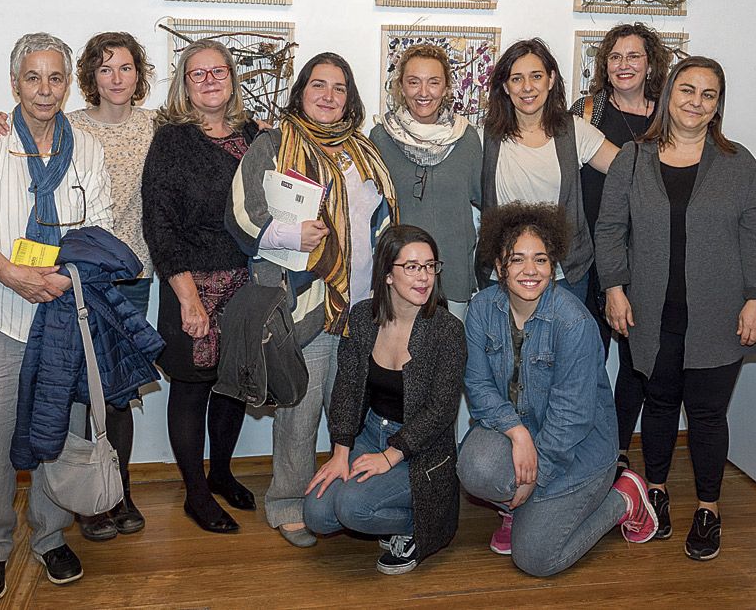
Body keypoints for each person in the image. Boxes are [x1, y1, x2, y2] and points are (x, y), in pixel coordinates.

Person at [0, 31, 156, 542]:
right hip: (32, 289)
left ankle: (100, 502)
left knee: (99, 401)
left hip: (107, 280)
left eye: (125, 67)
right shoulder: (40, 132)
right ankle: (23, 531)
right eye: (104, 68)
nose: (116, 78)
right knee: (35, 411)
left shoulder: (145, 131)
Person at [0, 32, 113, 603]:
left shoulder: (86, 147)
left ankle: (49, 535)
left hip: (61, 310)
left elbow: (102, 227)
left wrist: (69, 277)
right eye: (32, 78)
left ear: (69, 84)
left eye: (55, 78)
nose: (44, 90)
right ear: (14, 83)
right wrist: (10, 272)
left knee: (55, 431)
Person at [595, 56, 756, 561]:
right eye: (687, 90)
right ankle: (655, 493)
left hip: (719, 314)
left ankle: (709, 508)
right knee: (657, 405)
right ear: (669, 94)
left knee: (708, 414)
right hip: (650, 312)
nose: (696, 102)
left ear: (718, 105)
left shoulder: (738, 164)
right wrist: (613, 288)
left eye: (709, 94)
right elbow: (610, 229)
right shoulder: (632, 158)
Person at [227, 52, 398, 547]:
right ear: (301, 91)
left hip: (364, 306)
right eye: (318, 85)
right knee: (300, 411)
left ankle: (352, 497)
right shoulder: (273, 145)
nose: (328, 96)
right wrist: (288, 234)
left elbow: (383, 222)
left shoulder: (364, 151)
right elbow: (240, 216)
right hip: (306, 306)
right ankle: (287, 503)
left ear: (351, 97)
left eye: (339, 87)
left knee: (354, 411)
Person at [455, 202, 657, 577]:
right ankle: (517, 509)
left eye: (541, 260)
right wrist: (517, 433)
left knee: (536, 559)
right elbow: (478, 385)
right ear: (500, 266)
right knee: (474, 465)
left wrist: (536, 478)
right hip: (524, 435)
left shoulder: (573, 322)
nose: (530, 270)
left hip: (579, 451)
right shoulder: (481, 309)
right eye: (517, 259)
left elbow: (572, 418)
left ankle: (625, 498)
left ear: (553, 266)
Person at [142, 38, 263, 534]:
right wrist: (188, 299)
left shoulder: (255, 136)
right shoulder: (172, 140)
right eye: (198, 74)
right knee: (192, 389)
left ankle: (222, 474)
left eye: (219, 71)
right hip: (190, 283)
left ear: (232, 78)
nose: (210, 80)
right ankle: (195, 492)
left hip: (245, 281)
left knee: (232, 384)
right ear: (184, 85)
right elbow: (159, 224)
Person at [303, 224, 465, 575]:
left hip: (420, 448)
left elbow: (441, 412)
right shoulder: (362, 317)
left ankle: (417, 527)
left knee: (352, 508)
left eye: (429, 266)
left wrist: (389, 458)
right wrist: (341, 453)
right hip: (371, 432)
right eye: (411, 267)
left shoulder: (447, 330)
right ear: (387, 275)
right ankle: (388, 512)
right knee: (316, 514)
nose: (424, 277)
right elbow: (346, 387)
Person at [569, 23, 673, 472]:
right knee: (590, 359)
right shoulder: (588, 111)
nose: (624, 65)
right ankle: (590, 452)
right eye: (615, 57)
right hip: (592, 254)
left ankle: (618, 450)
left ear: (650, 62)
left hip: (650, 255)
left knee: (637, 360)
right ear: (604, 65)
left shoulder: (670, 115)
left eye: (633, 56)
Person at [478, 38, 619, 309]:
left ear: (551, 80)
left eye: (536, 76)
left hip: (565, 276)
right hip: (503, 276)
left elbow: (629, 170)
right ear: (505, 87)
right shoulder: (485, 137)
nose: (527, 87)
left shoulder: (575, 131)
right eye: (516, 79)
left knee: (565, 351)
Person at [369, 44, 482, 318]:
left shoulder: (468, 139)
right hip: (399, 276)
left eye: (433, 82)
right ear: (401, 87)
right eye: (413, 82)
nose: (423, 92)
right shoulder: (380, 138)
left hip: (453, 276)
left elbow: (482, 205)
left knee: (449, 359)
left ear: (445, 88)